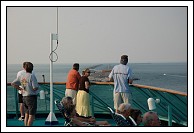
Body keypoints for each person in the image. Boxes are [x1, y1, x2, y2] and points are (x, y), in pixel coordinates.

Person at [11, 62, 39, 126]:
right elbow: (35, 88)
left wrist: (20, 89)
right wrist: (37, 88)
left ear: (25, 68)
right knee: (31, 115)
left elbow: (13, 83)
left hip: (24, 96)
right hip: (31, 97)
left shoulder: (21, 76)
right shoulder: (32, 76)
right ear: (32, 68)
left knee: (26, 114)